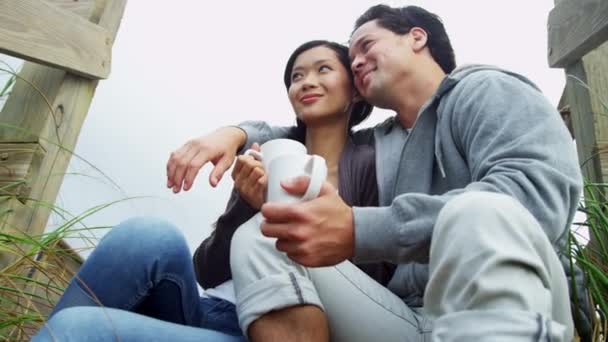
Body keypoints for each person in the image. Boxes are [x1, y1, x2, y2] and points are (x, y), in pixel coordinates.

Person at [166, 5, 586, 342]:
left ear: (416, 37)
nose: (359, 62)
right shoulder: (386, 141)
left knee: (479, 213)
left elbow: (536, 199)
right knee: (265, 235)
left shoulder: (485, 90)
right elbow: (304, 130)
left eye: (367, 46)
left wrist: (358, 228)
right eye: (352, 60)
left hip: (512, 311)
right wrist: (234, 134)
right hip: (407, 318)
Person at [34, 39, 390, 341]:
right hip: (210, 310)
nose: (306, 82)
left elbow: (376, 276)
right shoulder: (264, 158)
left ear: (356, 90)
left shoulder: (375, 162)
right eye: (296, 76)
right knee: (147, 234)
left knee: (74, 328)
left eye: (323, 69)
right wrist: (248, 207)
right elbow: (207, 271)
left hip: (266, 326)